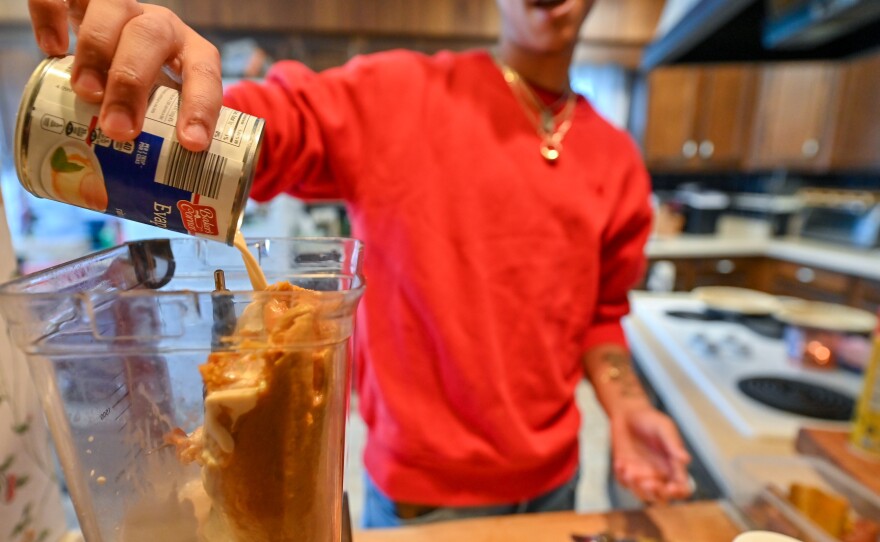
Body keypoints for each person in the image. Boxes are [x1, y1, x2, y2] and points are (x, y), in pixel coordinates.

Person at [28, 0, 694, 528]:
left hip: (557, 490)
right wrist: (177, 96)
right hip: (421, 505)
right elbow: (269, 130)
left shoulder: (617, 159)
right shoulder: (398, 93)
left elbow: (600, 317)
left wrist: (628, 407)